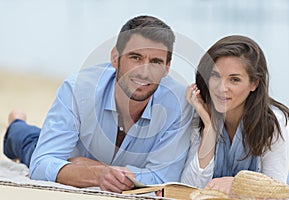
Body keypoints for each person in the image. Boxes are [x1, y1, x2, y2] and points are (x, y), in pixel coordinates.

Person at [3, 15, 193, 193]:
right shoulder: (78, 89)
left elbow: (164, 178)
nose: (144, 72)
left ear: (167, 68)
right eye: (135, 57)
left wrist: (99, 169)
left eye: (156, 62)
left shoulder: (179, 105)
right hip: (68, 155)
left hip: (75, 164)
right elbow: (42, 163)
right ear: (115, 58)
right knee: (29, 144)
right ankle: (17, 122)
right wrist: (97, 174)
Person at [180, 35, 289, 194]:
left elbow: (277, 191)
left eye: (234, 80)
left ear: (254, 83)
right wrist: (210, 129)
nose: (221, 88)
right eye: (215, 76)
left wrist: (237, 184)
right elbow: (190, 187)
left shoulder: (274, 121)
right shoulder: (199, 113)